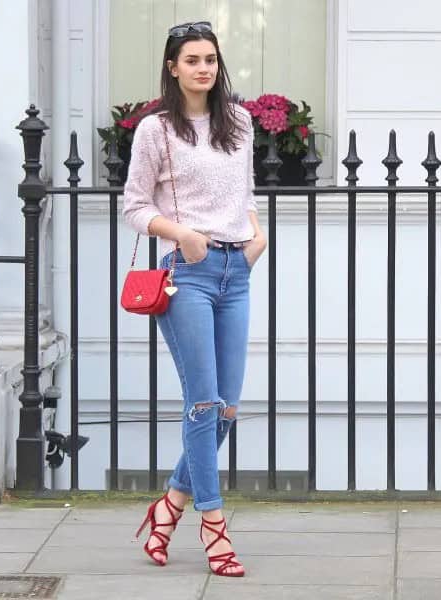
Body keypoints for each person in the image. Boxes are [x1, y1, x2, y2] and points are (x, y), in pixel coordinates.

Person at [122, 21, 266, 578]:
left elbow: (244, 190)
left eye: (210, 59)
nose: (204, 68)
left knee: (224, 407)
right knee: (202, 403)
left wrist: (258, 236)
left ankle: (169, 506)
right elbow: (134, 205)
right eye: (192, 60)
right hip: (189, 275)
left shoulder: (239, 122)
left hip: (237, 271)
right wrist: (179, 234)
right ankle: (214, 526)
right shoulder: (156, 131)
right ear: (173, 68)